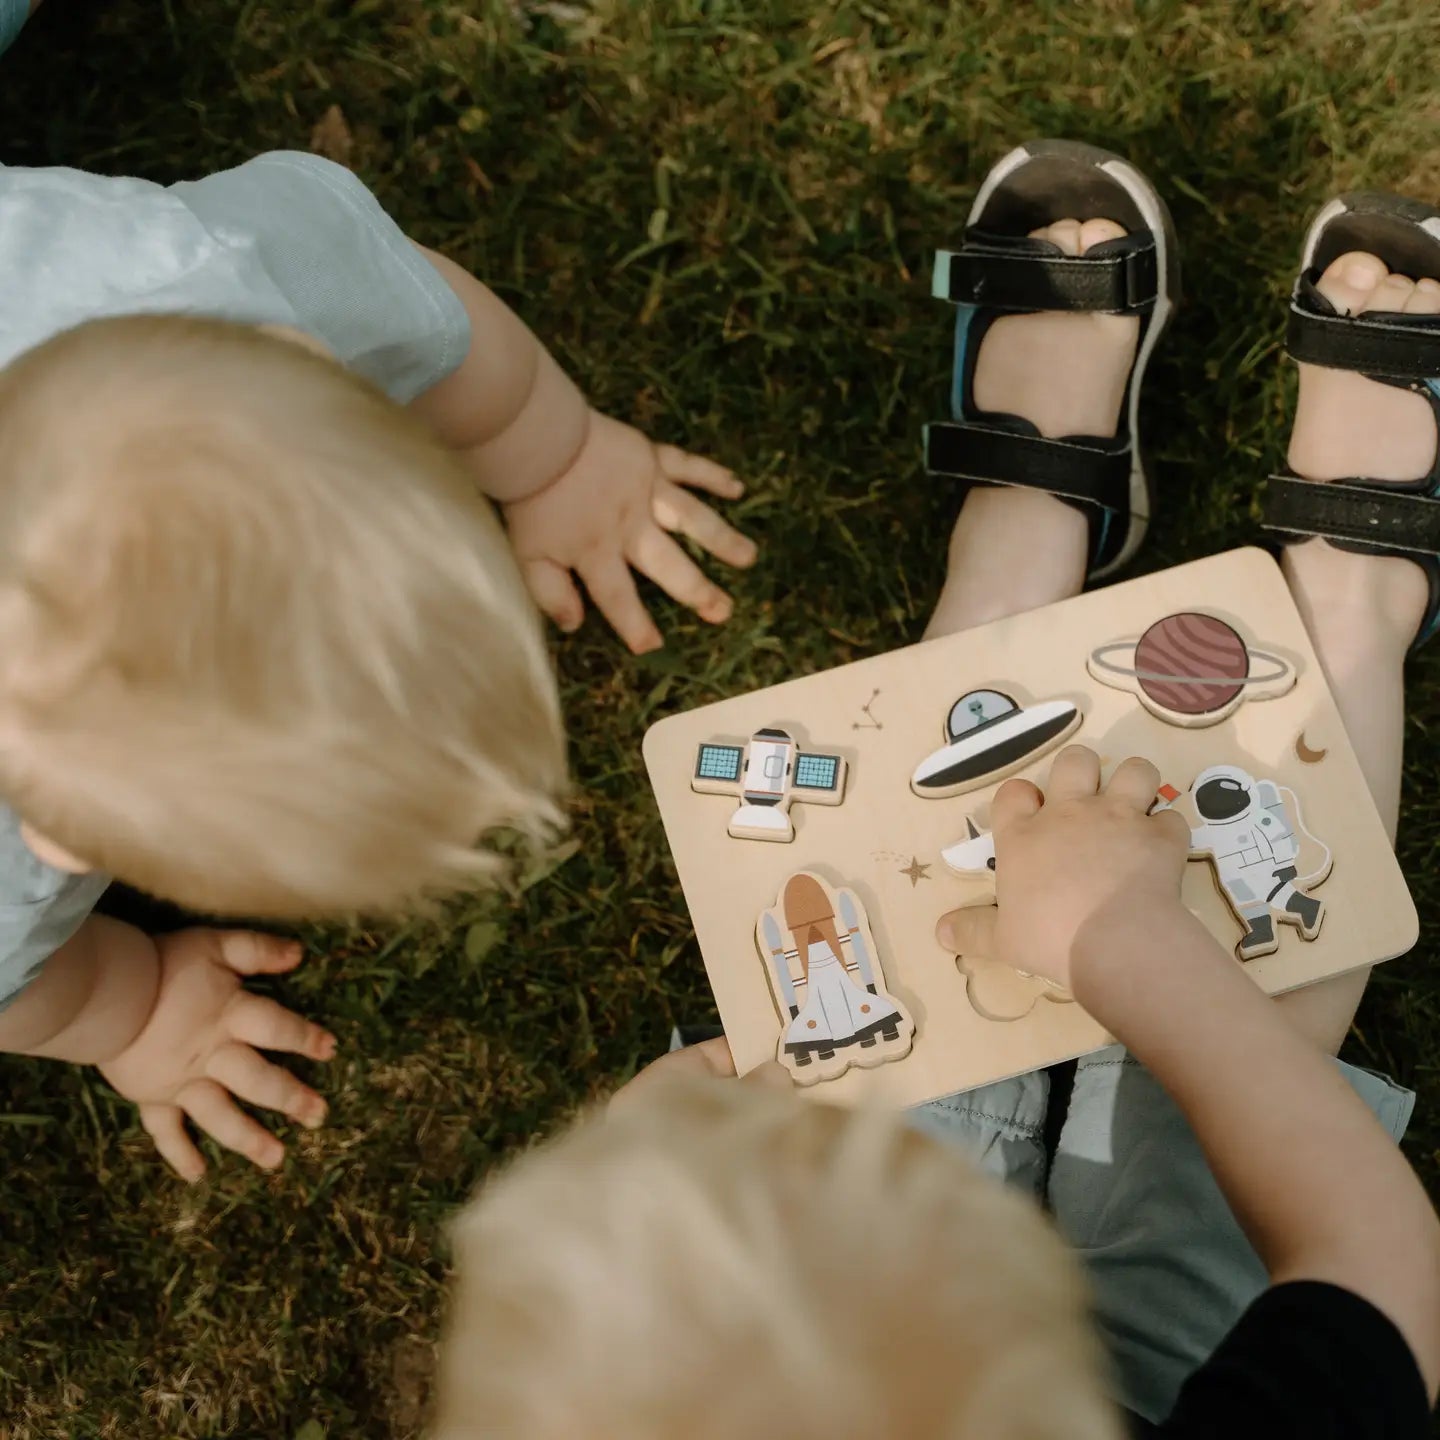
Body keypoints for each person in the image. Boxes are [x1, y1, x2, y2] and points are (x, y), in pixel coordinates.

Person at [427, 143, 1440, 1435]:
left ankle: (1020, 545)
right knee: (1251, 1046)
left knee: (887, 1025)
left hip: (816, 1341)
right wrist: (1120, 938)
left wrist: (670, 1175)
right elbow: (1372, 1267)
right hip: (1171, 1398)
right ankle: (1359, 594)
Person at [0, 150, 755, 1180]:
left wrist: (558, 452)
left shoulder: (201, 279)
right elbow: (15, 985)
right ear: (54, 834)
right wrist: (125, 1011)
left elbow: (421, 310)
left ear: (298, 355)